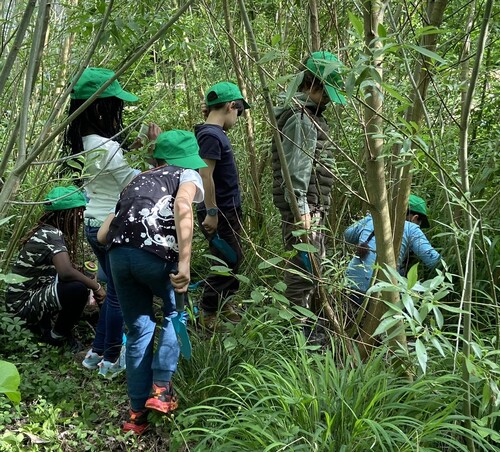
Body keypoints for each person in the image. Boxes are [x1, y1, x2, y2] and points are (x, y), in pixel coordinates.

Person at [102, 130, 206, 435]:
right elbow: (183, 207)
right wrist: (184, 263)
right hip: (157, 257)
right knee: (176, 314)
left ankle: (135, 416)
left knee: (138, 329)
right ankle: (161, 390)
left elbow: (102, 234)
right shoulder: (186, 174)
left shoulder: (136, 181)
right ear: (187, 160)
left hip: (119, 258)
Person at [64, 67, 160, 377]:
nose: (118, 111)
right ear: (102, 107)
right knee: (120, 296)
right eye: (115, 104)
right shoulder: (105, 148)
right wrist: (152, 150)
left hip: (94, 221)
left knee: (112, 292)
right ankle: (111, 359)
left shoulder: (83, 141)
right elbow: (137, 183)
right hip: (111, 226)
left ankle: (96, 353)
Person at [271, 51, 346, 309]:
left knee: (311, 270)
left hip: (311, 208)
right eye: (325, 93)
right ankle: (295, 334)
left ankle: (303, 325)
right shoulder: (302, 118)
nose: (328, 100)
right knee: (303, 273)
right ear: (310, 85)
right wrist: (302, 211)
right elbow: (296, 170)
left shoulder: (308, 114)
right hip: (305, 211)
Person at [5, 186, 106, 351]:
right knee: (77, 289)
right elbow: (66, 273)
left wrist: (84, 273)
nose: (81, 219)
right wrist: (96, 287)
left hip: (25, 299)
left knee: (79, 279)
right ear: (66, 214)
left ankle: (47, 325)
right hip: (21, 307)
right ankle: (56, 337)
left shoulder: (47, 231)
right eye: (78, 214)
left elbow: (62, 269)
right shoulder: (51, 234)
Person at [194, 81, 250, 329]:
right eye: (239, 111)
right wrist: (212, 212)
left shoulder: (213, 134)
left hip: (227, 209)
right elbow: (205, 175)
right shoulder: (209, 135)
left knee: (233, 258)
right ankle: (207, 309)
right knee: (227, 260)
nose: (238, 117)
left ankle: (222, 301)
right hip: (219, 211)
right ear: (230, 106)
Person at [344, 194, 441, 310]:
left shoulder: (373, 218)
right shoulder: (411, 228)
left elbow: (348, 235)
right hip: (378, 292)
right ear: (415, 218)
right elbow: (434, 261)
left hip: (350, 282)